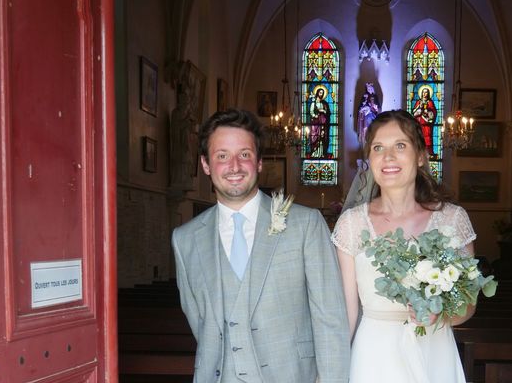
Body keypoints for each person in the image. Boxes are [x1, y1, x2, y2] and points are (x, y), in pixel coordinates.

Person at [172, 108, 350, 383]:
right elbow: (198, 320)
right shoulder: (184, 239)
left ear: (259, 163)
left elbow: (331, 319)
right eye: (222, 156)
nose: (234, 166)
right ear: (206, 165)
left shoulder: (305, 224)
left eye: (244, 154)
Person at [332, 110, 476, 382]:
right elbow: (347, 314)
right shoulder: (352, 224)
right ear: (370, 158)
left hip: (434, 350)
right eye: (378, 148)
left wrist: (440, 315)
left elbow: (468, 305)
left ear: (420, 155)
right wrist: (330, 373)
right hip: (373, 356)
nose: (388, 157)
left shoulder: (452, 219)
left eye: (400, 145)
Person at [412, 86, 437, 158]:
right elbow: (414, 112)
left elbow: (433, 112)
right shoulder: (418, 102)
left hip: (427, 124)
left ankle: (429, 153)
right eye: (423, 92)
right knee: (419, 138)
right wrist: (419, 107)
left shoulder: (430, 102)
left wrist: (428, 111)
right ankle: (418, 153)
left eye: (426, 92)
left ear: (428, 93)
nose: (424, 94)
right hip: (419, 123)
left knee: (427, 138)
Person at [356, 82, 381, 148]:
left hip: (372, 116)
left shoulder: (374, 97)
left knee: (371, 128)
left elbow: (378, 108)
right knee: (365, 129)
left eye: (370, 89)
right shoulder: (365, 97)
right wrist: (362, 108)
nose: (369, 90)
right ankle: (365, 142)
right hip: (365, 117)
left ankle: (372, 141)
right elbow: (360, 107)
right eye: (368, 89)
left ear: (372, 89)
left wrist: (372, 107)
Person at [308, 86, 330, 157]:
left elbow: (328, 112)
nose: (321, 94)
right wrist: (315, 116)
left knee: (322, 137)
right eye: (320, 92)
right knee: (315, 137)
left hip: (322, 122)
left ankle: (321, 153)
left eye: (322, 93)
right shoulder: (313, 103)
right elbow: (311, 111)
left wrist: (323, 111)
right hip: (315, 123)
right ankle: (314, 153)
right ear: (317, 93)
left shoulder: (324, 103)